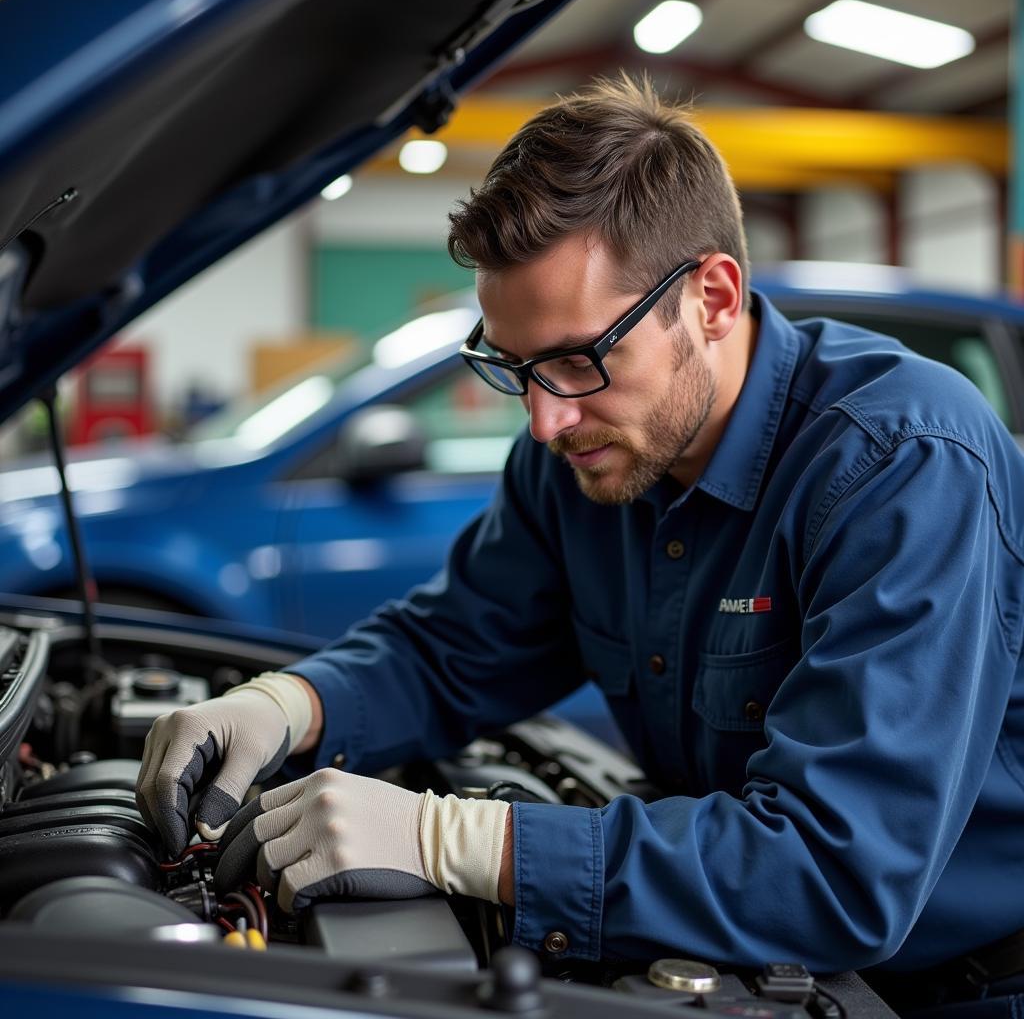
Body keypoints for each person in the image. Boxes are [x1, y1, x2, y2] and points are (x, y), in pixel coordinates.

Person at [137, 75, 1024, 1013]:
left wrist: (460, 840)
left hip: (954, 990)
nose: (546, 421)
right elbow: (454, 648)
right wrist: (289, 704)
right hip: (750, 962)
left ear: (713, 298)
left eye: (579, 359)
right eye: (515, 368)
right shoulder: (587, 456)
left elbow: (835, 868)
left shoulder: (901, 466)